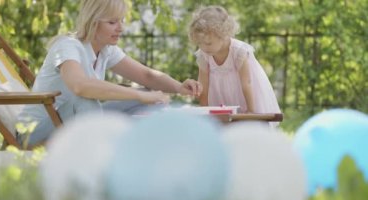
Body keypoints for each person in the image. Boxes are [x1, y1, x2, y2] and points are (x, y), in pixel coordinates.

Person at [16, 0, 202, 146]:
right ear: (93, 22)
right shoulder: (67, 46)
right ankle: (109, 153)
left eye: (121, 20)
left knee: (149, 95)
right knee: (86, 97)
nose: (120, 28)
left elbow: (147, 76)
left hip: (75, 121)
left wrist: (179, 87)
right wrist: (136, 94)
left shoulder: (106, 50)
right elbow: (80, 86)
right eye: (112, 22)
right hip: (33, 131)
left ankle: (144, 143)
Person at [188, 5, 280, 114]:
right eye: (200, 43)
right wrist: (204, 110)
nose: (203, 47)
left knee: (246, 124)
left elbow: (247, 83)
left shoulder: (238, 52)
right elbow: (203, 85)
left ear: (223, 34)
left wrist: (251, 111)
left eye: (208, 43)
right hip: (221, 97)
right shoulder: (204, 55)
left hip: (244, 95)